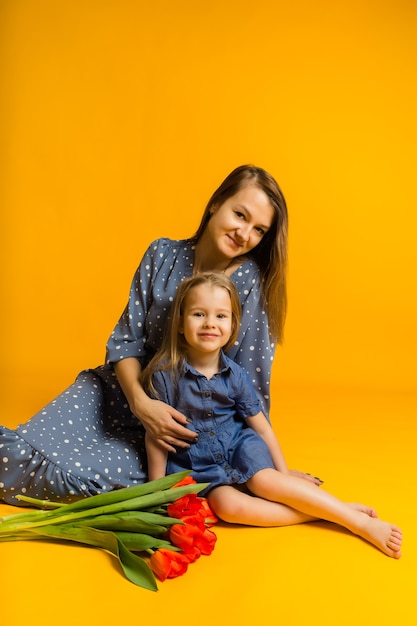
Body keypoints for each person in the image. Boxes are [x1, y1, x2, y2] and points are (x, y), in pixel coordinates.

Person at [1, 164, 319, 506]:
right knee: (14, 457)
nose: (244, 234)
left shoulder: (249, 282)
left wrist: (264, 471)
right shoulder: (162, 254)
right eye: (240, 215)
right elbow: (126, 342)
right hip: (122, 391)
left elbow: (248, 381)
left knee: (92, 486)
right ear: (216, 204)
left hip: (181, 425)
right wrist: (142, 404)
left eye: (258, 230)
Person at [141, 272, 402, 559]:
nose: (210, 324)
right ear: (180, 323)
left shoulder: (235, 376)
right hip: (200, 466)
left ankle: (358, 522)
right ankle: (327, 513)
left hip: (239, 447)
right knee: (229, 509)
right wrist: (158, 493)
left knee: (267, 483)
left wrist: (283, 471)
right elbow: (156, 435)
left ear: (232, 325)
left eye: (221, 316)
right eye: (199, 314)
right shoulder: (164, 376)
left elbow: (262, 428)